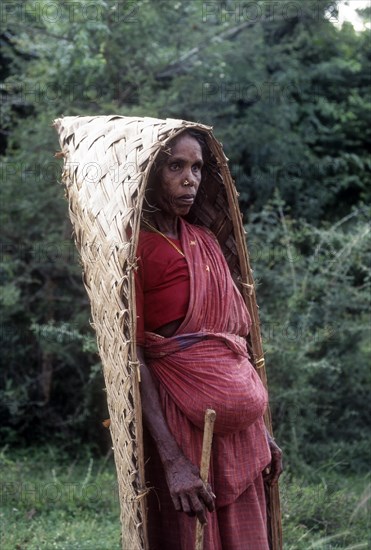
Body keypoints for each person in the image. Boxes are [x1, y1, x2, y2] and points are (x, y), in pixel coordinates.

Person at [135, 129, 283, 550]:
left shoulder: (206, 241)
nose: (190, 179)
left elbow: (234, 343)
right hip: (183, 422)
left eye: (197, 167)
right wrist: (173, 462)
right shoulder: (139, 251)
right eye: (175, 166)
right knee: (196, 532)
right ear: (150, 174)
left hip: (242, 436)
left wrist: (262, 433)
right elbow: (137, 358)